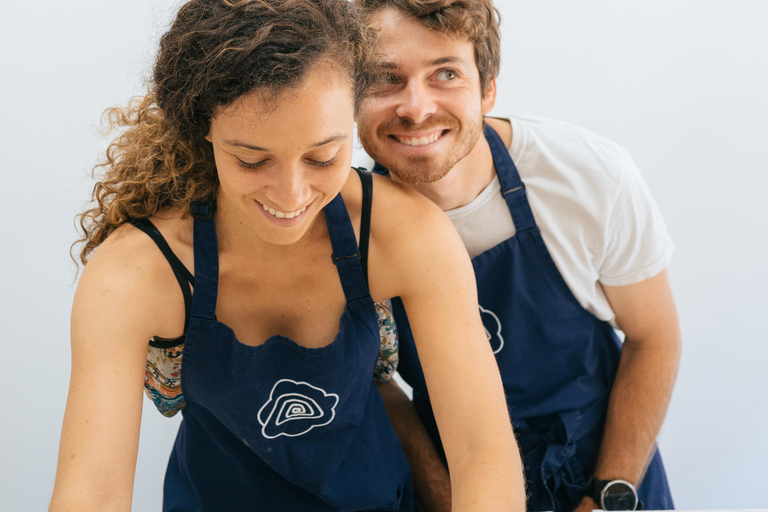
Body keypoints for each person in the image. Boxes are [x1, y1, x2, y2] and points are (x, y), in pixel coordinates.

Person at [48, 1, 526, 510]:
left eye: (324, 157)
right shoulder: (134, 274)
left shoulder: (404, 234)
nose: (291, 194)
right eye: (252, 159)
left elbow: (483, 454)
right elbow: (91, 493)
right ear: (203, 125)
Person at [354, 0, 682, 510]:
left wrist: (609, 494)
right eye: (384, 78)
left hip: (607, 471)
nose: (415, 108)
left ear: (487, 89)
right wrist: (447, 497)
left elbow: (654, 337)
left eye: (445, 73)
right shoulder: (346, 230)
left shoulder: (589, 178)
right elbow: (377, 382)